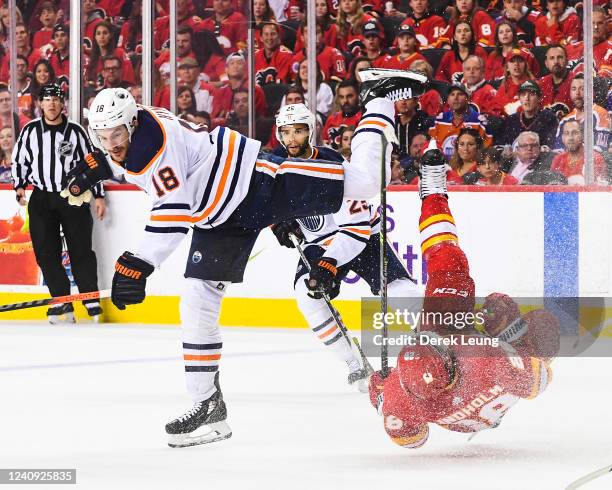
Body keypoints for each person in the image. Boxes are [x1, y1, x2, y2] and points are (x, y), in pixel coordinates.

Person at [61, 70, 428, 448]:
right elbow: (130, 165)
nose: (111, 144)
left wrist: (137, 264)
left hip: (256, 183)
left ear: (132, 123)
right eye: (102, 138)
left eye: (117, 135)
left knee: (368, 182)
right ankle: (208, 405)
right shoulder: (135, 129)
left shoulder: (150, 146)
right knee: (197, 300)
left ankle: (378, 98)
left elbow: (173, 210)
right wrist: (97, 167)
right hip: (219, 218)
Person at [368, 145, 558, 448]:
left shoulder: (401, 398)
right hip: (484, 374)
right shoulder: (488, 362)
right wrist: (508, 349)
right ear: (449, 359)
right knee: (514, 313)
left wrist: (380, 395)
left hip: (463, 396)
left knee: (453, 270)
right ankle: (433, 195)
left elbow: (412, 440)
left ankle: (432, 194)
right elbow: (542, 379)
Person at [270, 103, 420, 389]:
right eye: (286, 132)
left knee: (401, 290)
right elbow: (265, 203)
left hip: (361, 236)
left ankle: (436, 341)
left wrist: (329, 264)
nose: (292, 139)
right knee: (306, 294)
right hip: (317, 242)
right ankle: (353, 361)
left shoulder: (332, 164)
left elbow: (355, 230)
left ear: (310, 132)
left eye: (299, 131)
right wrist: (277, 223)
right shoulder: (277, 167)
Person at [11, 84, 106, 324]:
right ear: (40, 104)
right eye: (47, 99)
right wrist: (19, 186)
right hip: (42, 197)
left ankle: (90, 298)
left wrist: (99, 195)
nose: (52, 103)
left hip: (72, 196)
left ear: (63, 103)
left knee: (80, 248)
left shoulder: (76, 131)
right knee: (45, 252)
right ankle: (61, 298)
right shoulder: (30, 130)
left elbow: (92, 162)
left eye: (56, 99)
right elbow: (19, 160)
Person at [498, 80, 558, 147]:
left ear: (539, 98)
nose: (527, 98)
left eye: (532, 94)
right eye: (523, 95)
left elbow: (551, 146)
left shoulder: (548, 118)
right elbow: (501, 145)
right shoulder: (511, 120)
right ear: (519, 98)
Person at [550, 120, 609, 185]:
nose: (570, 138)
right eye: (566, 133)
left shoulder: (594, 158)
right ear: (562, 138)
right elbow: (552, 187)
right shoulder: (558, 159)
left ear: (583, 136)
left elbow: (601, 189)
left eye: (575, 133)